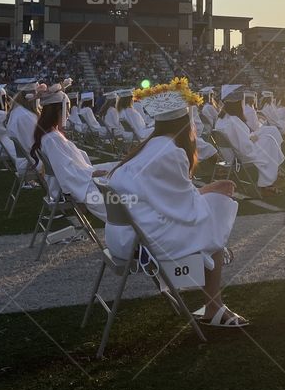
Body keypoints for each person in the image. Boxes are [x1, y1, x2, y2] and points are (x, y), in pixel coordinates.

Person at [104, 78, 247, 327]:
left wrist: (207, 192)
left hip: (122, 235)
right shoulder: (170, 151)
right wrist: (215, 190)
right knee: (215, 214)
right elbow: (187, 208)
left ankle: (212, 278)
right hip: (139, 242)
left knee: (212, 208)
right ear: (186, 120)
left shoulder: (151, 145)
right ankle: (214, 305)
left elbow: (173, 199)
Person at [31, 80, 115, 220]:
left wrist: (90, 171)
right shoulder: (52, 138)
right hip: (80, 182)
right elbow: (65, 170)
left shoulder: (50, 134)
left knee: (118, 166)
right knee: (119, 179)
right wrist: (92, 173)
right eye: (67, 111)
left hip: (82, 175)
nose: (68, 115)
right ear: (58, 111)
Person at [215, 91, 285, 191]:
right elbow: (245, 146)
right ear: (238, 103)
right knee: (270, 140)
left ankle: (275, 171)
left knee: (268, 133)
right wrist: (252, 139)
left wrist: (251, 137)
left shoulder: (221, 119)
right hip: (242, 155)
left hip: (229, 155)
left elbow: (239, 139)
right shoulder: (234, 120)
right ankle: (267, 180)